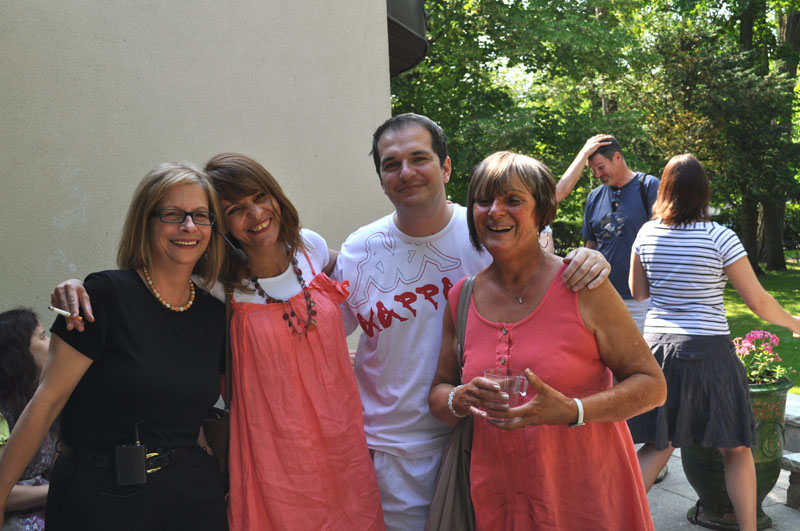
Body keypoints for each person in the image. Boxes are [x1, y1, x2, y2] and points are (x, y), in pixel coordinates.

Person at [52, 154, 385, 531]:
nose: (255, 213)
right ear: (221, 224)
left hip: (342, 442)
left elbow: (364, 275)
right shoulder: (213, 285)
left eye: (260, 196)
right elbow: (147, 290)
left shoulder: (311, 248)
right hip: (273, 455)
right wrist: (79, 286)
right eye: (235, 209)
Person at [333, 113, 613, 529]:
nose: (406, 172)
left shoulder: (488, 230)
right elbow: (324, 335)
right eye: (391, 164)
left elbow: (547, 274)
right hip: (389, 452)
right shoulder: (359, 249)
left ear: (445, 167)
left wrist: (592, 257)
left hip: (481, 444)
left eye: (419, 158)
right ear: (380, 177)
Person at [428, 151, 666, 530]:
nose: (494, 211)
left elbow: (652, 387)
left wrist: (574, 410)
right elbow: (440, 393)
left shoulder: (582, 285)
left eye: (513, 200)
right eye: (483, 200)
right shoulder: (462, 297)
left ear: (542, 212)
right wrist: (461, 397)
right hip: (497, 498)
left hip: (585, 496)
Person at [0, 162, 229, 530]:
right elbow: (47, 401)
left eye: (200, 215)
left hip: (190, 501)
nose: (188, 226)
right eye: (172, 214)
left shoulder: (215, 315)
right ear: (146, 220)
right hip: (98, 500)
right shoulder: (102, 296)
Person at [627, 154, 800, 531]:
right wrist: (793, 323)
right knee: (736, 448)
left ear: (665, 190)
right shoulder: (720, 237)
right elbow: (756, 301)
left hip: (657, 349)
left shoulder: (647, 233)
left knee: (661, 443)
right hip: (709, 352)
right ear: (703, 192)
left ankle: (616, 520)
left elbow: (637, 293)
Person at [559, 134, 659, 331]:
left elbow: (664, 239)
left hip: (642, 299)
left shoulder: (647, 187)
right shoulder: (594, 198)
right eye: (593, 170)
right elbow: (591, 246)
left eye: (601, 167)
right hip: (602, 296)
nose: (597, 174)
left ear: (618, 157)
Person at [0, 308, 56, 531]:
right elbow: (3, 490)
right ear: (18, 352)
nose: (50, 343)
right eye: (42, 337)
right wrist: (57, 490)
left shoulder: (35, 401)